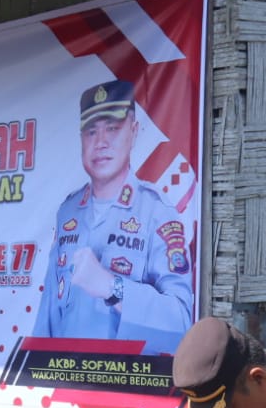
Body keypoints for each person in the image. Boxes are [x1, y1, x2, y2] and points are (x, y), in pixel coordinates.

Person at [30, 80, 193, 353]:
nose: (101, 142)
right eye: (91, 132)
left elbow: (181, 321)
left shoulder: (156, 211)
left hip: (125, 383)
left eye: (113, 129)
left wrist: (112, 288)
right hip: (65, 377)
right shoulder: (68, 211)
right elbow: (48, 311)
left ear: (134, 131)